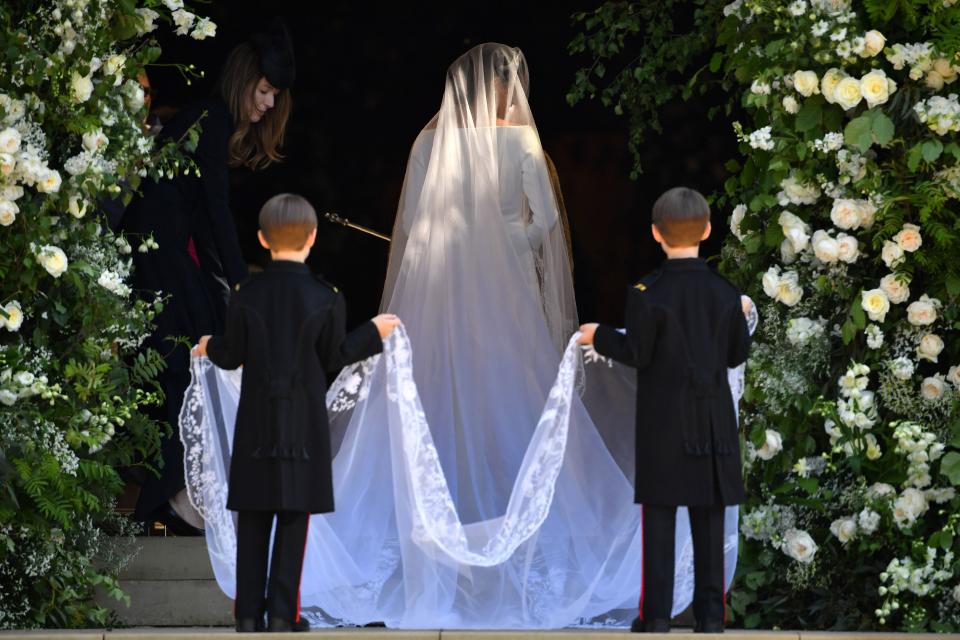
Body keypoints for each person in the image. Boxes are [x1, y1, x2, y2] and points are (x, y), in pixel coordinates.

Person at [192, 193, 399, 632]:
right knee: (293, 520)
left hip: (256, 426)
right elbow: (336, 355)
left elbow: (230, 356)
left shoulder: (245, 295)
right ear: (313, 238)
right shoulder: (326, 296)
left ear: (262, 239)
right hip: (302, 427)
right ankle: (284, 613)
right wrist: (374, 333)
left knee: (252, 516)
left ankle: (248, 614)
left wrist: (208, 344)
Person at [120, 19, 295, 534]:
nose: (266, 104)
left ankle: (177, 499)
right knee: (188, 372)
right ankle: (175, 501)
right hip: (161, 264)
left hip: (166, 262)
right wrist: (241, 284)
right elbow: (214, 212)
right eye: (263, 91)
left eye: (274, 95)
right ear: (245, 80)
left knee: (188, 373)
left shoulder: (208, 118)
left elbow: (203, 217)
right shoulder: (211, 118)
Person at [578, 187, 752, 634]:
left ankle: (655, 617)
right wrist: (740, 313)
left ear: (656, 234)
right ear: (709, 230)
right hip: (713, 422)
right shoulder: (726, 292)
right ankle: (712, 618)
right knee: (709, 520)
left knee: (659, 520)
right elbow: (735, 354)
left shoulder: (645, 292)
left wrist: (597, 335)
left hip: (663, 425)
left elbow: (637, 351)